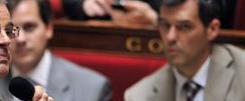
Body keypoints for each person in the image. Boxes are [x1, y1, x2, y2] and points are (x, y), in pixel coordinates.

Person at [124, 0, 245, 101]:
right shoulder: (140, 98)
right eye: (165, 25)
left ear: (212, 29)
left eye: (185, 27)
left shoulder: (241, 73)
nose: (170, 37)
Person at [0, 0, 120, 101]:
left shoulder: (92, 89)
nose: (20, 39)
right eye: (11, 30)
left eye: (29, 27)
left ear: (49, 28)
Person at [62, 0, 236, 29]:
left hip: (177, 40)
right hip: (105, 35)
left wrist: (157, 20)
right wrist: (87, 5)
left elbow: (217, 10)